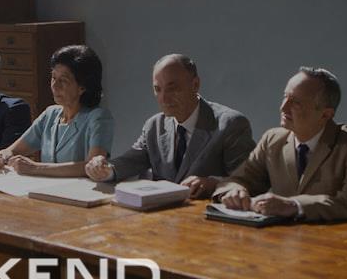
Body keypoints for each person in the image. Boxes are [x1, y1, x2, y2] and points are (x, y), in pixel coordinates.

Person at [85, 53, 254, 198]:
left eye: (173, 89)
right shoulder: (154, 126)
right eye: (158, 89)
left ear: (195, 85)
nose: (164, 99)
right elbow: (131, 161)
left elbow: (250, 180)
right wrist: (105, 169)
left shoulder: (230, 124)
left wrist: (212, 183)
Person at [214, 67, 347, 221]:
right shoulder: (273, 140)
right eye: (285, 97)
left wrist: (294, 205)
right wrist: (236, 190)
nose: (283, 107)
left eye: (296, 102)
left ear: (325, 114)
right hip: (277, 235)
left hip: (327, 237)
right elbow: (237, 180)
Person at [0, 45, 113, 177]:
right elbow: (12, 150)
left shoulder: (98, 118)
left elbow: (92, 167)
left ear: (82, 87)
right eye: (53, 78)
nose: (55, 86)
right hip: (44, 187)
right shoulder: (51, 114)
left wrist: (35, 168)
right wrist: (1, 157)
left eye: (63, 80)